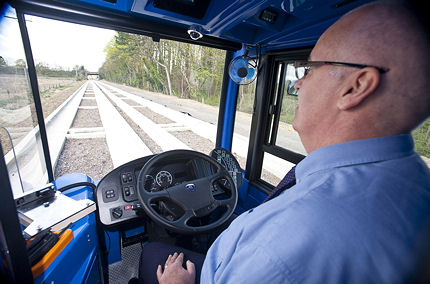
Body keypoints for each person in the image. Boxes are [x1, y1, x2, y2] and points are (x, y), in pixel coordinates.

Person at [144, 1, 430, 283]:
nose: (297, 84)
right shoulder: (416, 180)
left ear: (355, 87)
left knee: (151, 252)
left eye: (310, 68)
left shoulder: (282, 245)